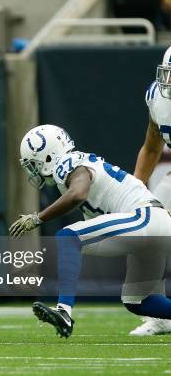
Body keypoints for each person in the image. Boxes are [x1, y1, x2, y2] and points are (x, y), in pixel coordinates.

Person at [10, 124, 171, 338]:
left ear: (48, 157)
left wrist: (38, 218)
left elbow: (78, 194)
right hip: (152, 221)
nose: (32, 170)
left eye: (33, 164)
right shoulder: (76, 166)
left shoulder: (65, 163)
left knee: (68, 237)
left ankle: (64, 312)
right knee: (138, 301)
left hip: (145, 218)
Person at [129, 45, 171, 336]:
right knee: (148, 225)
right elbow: (152, 145)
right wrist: (135, 190)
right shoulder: (157, 97)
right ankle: (160, 315)